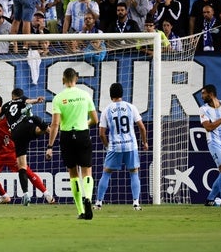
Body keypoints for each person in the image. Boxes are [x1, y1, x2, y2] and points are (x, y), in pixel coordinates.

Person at [0, 88, 49, 206]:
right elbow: (28, 101)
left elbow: (27, 101)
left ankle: (46, 194)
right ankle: (5, 196)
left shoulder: (7, 108)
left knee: (25, 170)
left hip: (11, 148)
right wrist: (36, 101)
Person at [46, 68, 99, 220]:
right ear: (76, 78)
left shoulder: (59, 98)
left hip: (67, 136)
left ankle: (81, 211)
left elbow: (55, 124)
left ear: (63, 79)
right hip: (82, 134)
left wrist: (50, 146)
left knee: (73, 174)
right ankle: (88, 197)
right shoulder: (85, 95)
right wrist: (85, 124)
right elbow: (95, 120)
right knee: (87, 171)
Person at [94, 83, 148, 211]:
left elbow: (101, 134)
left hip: (115, 147)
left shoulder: (106, 110)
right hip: (131, 145)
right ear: (122, 94)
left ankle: (98, 203)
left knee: (106, 173)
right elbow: (141, 127)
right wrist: (144, 142)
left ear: (110, 94)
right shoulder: (131, 107)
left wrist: (108, 146)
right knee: (134, 173)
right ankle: (136, 203)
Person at [199, 84, 221, 206]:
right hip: (214, 143)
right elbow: (208, 127)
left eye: (203, 93)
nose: (202, 96)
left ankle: (210, 199)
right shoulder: (203, 109)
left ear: (211, 94)